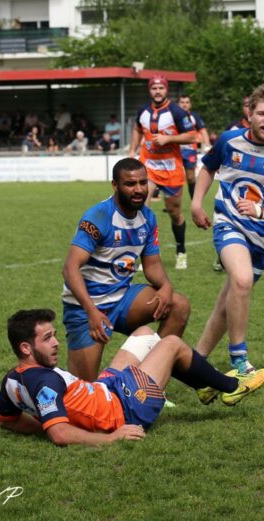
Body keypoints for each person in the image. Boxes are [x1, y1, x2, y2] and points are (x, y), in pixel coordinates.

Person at [0, 310, 264, 446]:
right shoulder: (45, 383)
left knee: (145, 334)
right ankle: (231, 386)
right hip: (123, 411)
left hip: (104, 390)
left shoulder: (11, 381)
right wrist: (112, 438)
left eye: (54, 335)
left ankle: (205, 386)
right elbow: (59, 433)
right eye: (47, 339)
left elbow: (7, 421)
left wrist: (43, 422)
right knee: (172, 343)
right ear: (26, 348)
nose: (56, 343)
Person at [191, 84, 264, 375]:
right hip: (229, 223)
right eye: (262, 113)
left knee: (227, 304)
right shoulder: (229, 141)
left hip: (263, 240)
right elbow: (207, 168)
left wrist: (261, 211)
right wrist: (196, 204)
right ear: (249, 114)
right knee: (241, 281)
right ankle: (239, 360)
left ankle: (194, 363)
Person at [61, 158, 190, 381]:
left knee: (178, 305)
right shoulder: (99, 216)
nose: (139, 189)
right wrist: (91, 310)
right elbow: (70, 268)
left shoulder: (148, 217)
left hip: (123, 300)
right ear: (115, 185)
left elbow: (152, 265)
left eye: (143, 183)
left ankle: (148, 383)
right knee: (84, 390)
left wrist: (167, 286)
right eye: (130, 184)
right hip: (86, 307)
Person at [129, 76, 196, 270]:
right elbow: (136, 129)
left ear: (166, 90)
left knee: (175, 213)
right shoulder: (143, 111)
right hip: (148, 167)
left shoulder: (176, 111)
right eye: (154, 88)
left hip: (171, 169)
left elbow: (192, 135)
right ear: (149, 90)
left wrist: (169, 139)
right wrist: (132, 151)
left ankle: (181, 251)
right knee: (141, 210)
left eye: (161, 88)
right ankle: (145, 255)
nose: (157, 91)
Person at [177, 94, 211, 200]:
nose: (184, 105)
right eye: (182, 102)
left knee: (191, 178)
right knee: (176, 178)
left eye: (187, 102)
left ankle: (194, 201)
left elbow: (203, 131)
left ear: (190, 104)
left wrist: (208, 146)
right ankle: (174, 202)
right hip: (175, 150)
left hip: (190, 150)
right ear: (179, 104)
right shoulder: (173, 116)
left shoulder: (194, 116)